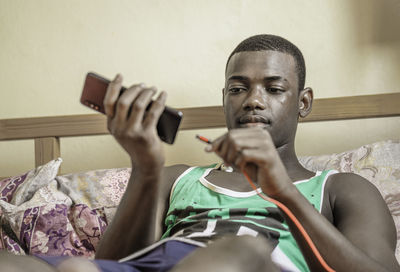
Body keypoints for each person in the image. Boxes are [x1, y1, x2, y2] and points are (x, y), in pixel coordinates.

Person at [1, 34, 399, 272]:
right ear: (224, 97)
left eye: (274, 89)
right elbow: (116, 264)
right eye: (238, 88)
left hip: (243, 262)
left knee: (237, 247)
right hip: (161, 262)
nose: (253, 101)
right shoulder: (179, 178)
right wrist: (145, 168)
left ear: (304, 102)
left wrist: (284, 194)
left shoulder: (341, 187)